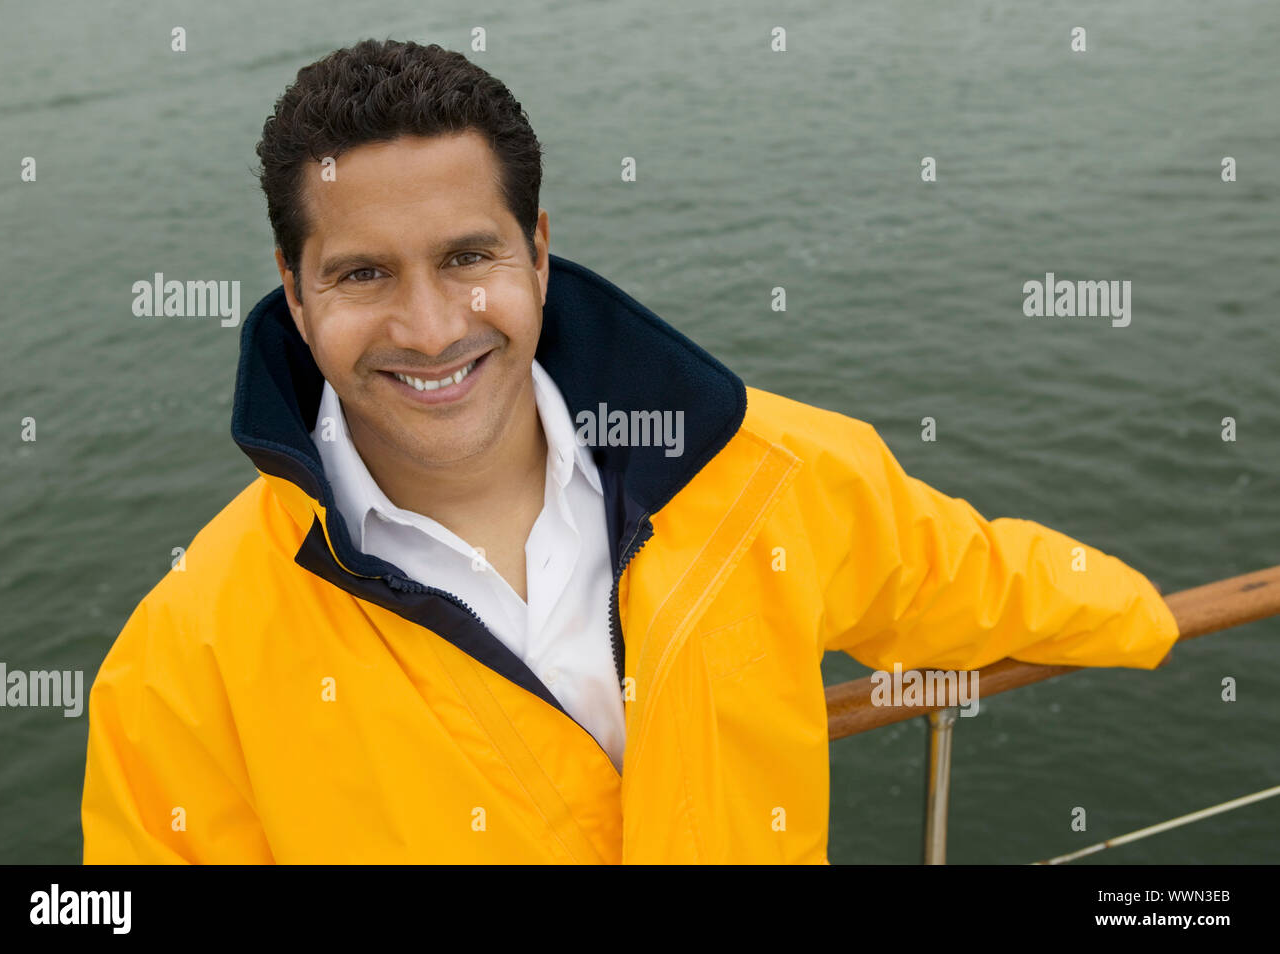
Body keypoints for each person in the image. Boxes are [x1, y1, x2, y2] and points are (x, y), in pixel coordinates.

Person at [81, 39, 1178, 864]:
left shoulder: (764, 477)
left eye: (468, 256)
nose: (428, 328)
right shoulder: (189, 656)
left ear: (540, 253)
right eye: (363, 273)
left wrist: (1143, 615)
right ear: (292, 287)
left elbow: (967, 582)